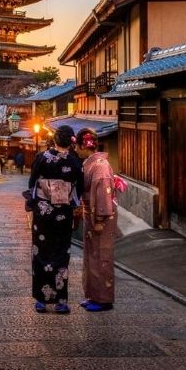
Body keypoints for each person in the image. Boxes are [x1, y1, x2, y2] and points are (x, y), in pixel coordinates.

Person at [24, 125, 83, 314]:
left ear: (55, 140)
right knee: (61, 255)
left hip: (43, 213)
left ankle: (41, 300)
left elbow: (32, 183)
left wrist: (36, 200)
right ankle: (61, 301)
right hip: (63, 214)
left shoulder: (42, 158)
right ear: (71, 141)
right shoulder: (75, 162)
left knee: (41, 253)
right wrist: (70, 202)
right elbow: (79, 189)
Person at [75, 127, 117, 312]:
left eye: (77, 146)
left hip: (101, 216)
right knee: (91, 255)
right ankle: (92, 294)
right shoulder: (90, 163)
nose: (75, 150)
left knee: (102, 256)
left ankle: (103, 299)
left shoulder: (99, 166)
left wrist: (100, 219)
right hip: (90, 213)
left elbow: (103, 194)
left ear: (84, 145)